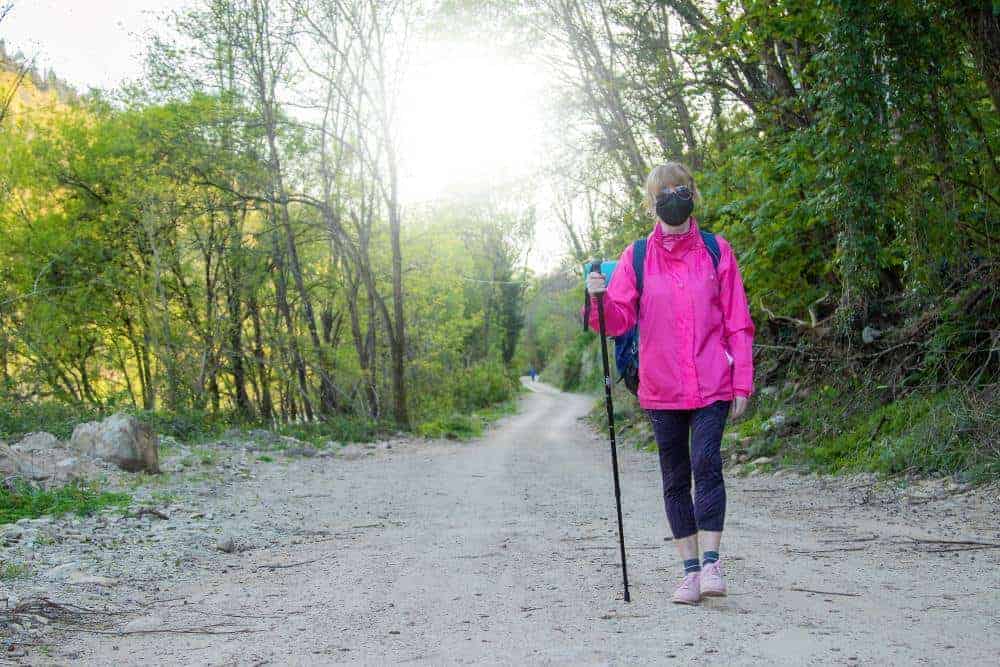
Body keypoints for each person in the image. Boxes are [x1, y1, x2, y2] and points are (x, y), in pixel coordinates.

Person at [583, 162, 755, 605]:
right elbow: (617, 320)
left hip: (713, 380)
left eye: (681, 188)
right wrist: (596, 298)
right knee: (675, 477)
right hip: (662, 387)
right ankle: (690, 573)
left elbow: (738, 321)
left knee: (706, 462)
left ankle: (713, 563)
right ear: (651, 202)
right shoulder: (637, 257)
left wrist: (742, 382)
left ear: (693, 195)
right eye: (664, 191)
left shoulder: (717, 251)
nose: (673, 196)